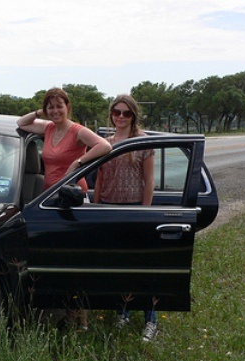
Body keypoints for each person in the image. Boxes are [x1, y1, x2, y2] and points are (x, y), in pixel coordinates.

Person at [17, 87, 112, 330]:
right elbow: (22, 122)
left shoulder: (77, 131)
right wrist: (41, 111)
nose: (55, 110)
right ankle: (65, 314)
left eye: (60, 106)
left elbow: (105, 146)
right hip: (50, 200)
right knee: (57, 260)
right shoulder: (48, 128)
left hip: (72, 199)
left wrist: (78, 162)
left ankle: (81, 320)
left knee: (75, 261)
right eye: (51, 106)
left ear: (67, 107)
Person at [93, 94, 158, 341]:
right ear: (111, 114)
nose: (120, 117)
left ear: (133, 115)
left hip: (133, 209)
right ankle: (123, 312)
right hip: (108, 209)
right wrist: (96, 208)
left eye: (126, 113)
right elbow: (99, 177)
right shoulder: (104, 142)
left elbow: (149, 180)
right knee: (117, 267)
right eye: (116, 112)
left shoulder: (142, 142)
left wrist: (145, 213)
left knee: (140, 268)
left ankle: (151, 320)